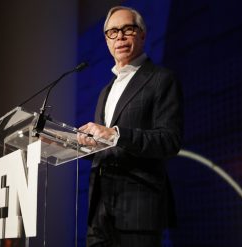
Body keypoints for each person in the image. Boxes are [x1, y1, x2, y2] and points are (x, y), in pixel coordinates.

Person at [77, 6, 183, 247]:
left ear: (142, 34)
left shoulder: (161, 79)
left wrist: (116, 134)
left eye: (128, 29)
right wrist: (73, 145)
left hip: (138, 210)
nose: (120, 37)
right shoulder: (106, 91)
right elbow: (106, 148)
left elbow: (170, 141)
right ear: (106, 41)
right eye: (113, 32)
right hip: (99, 211)